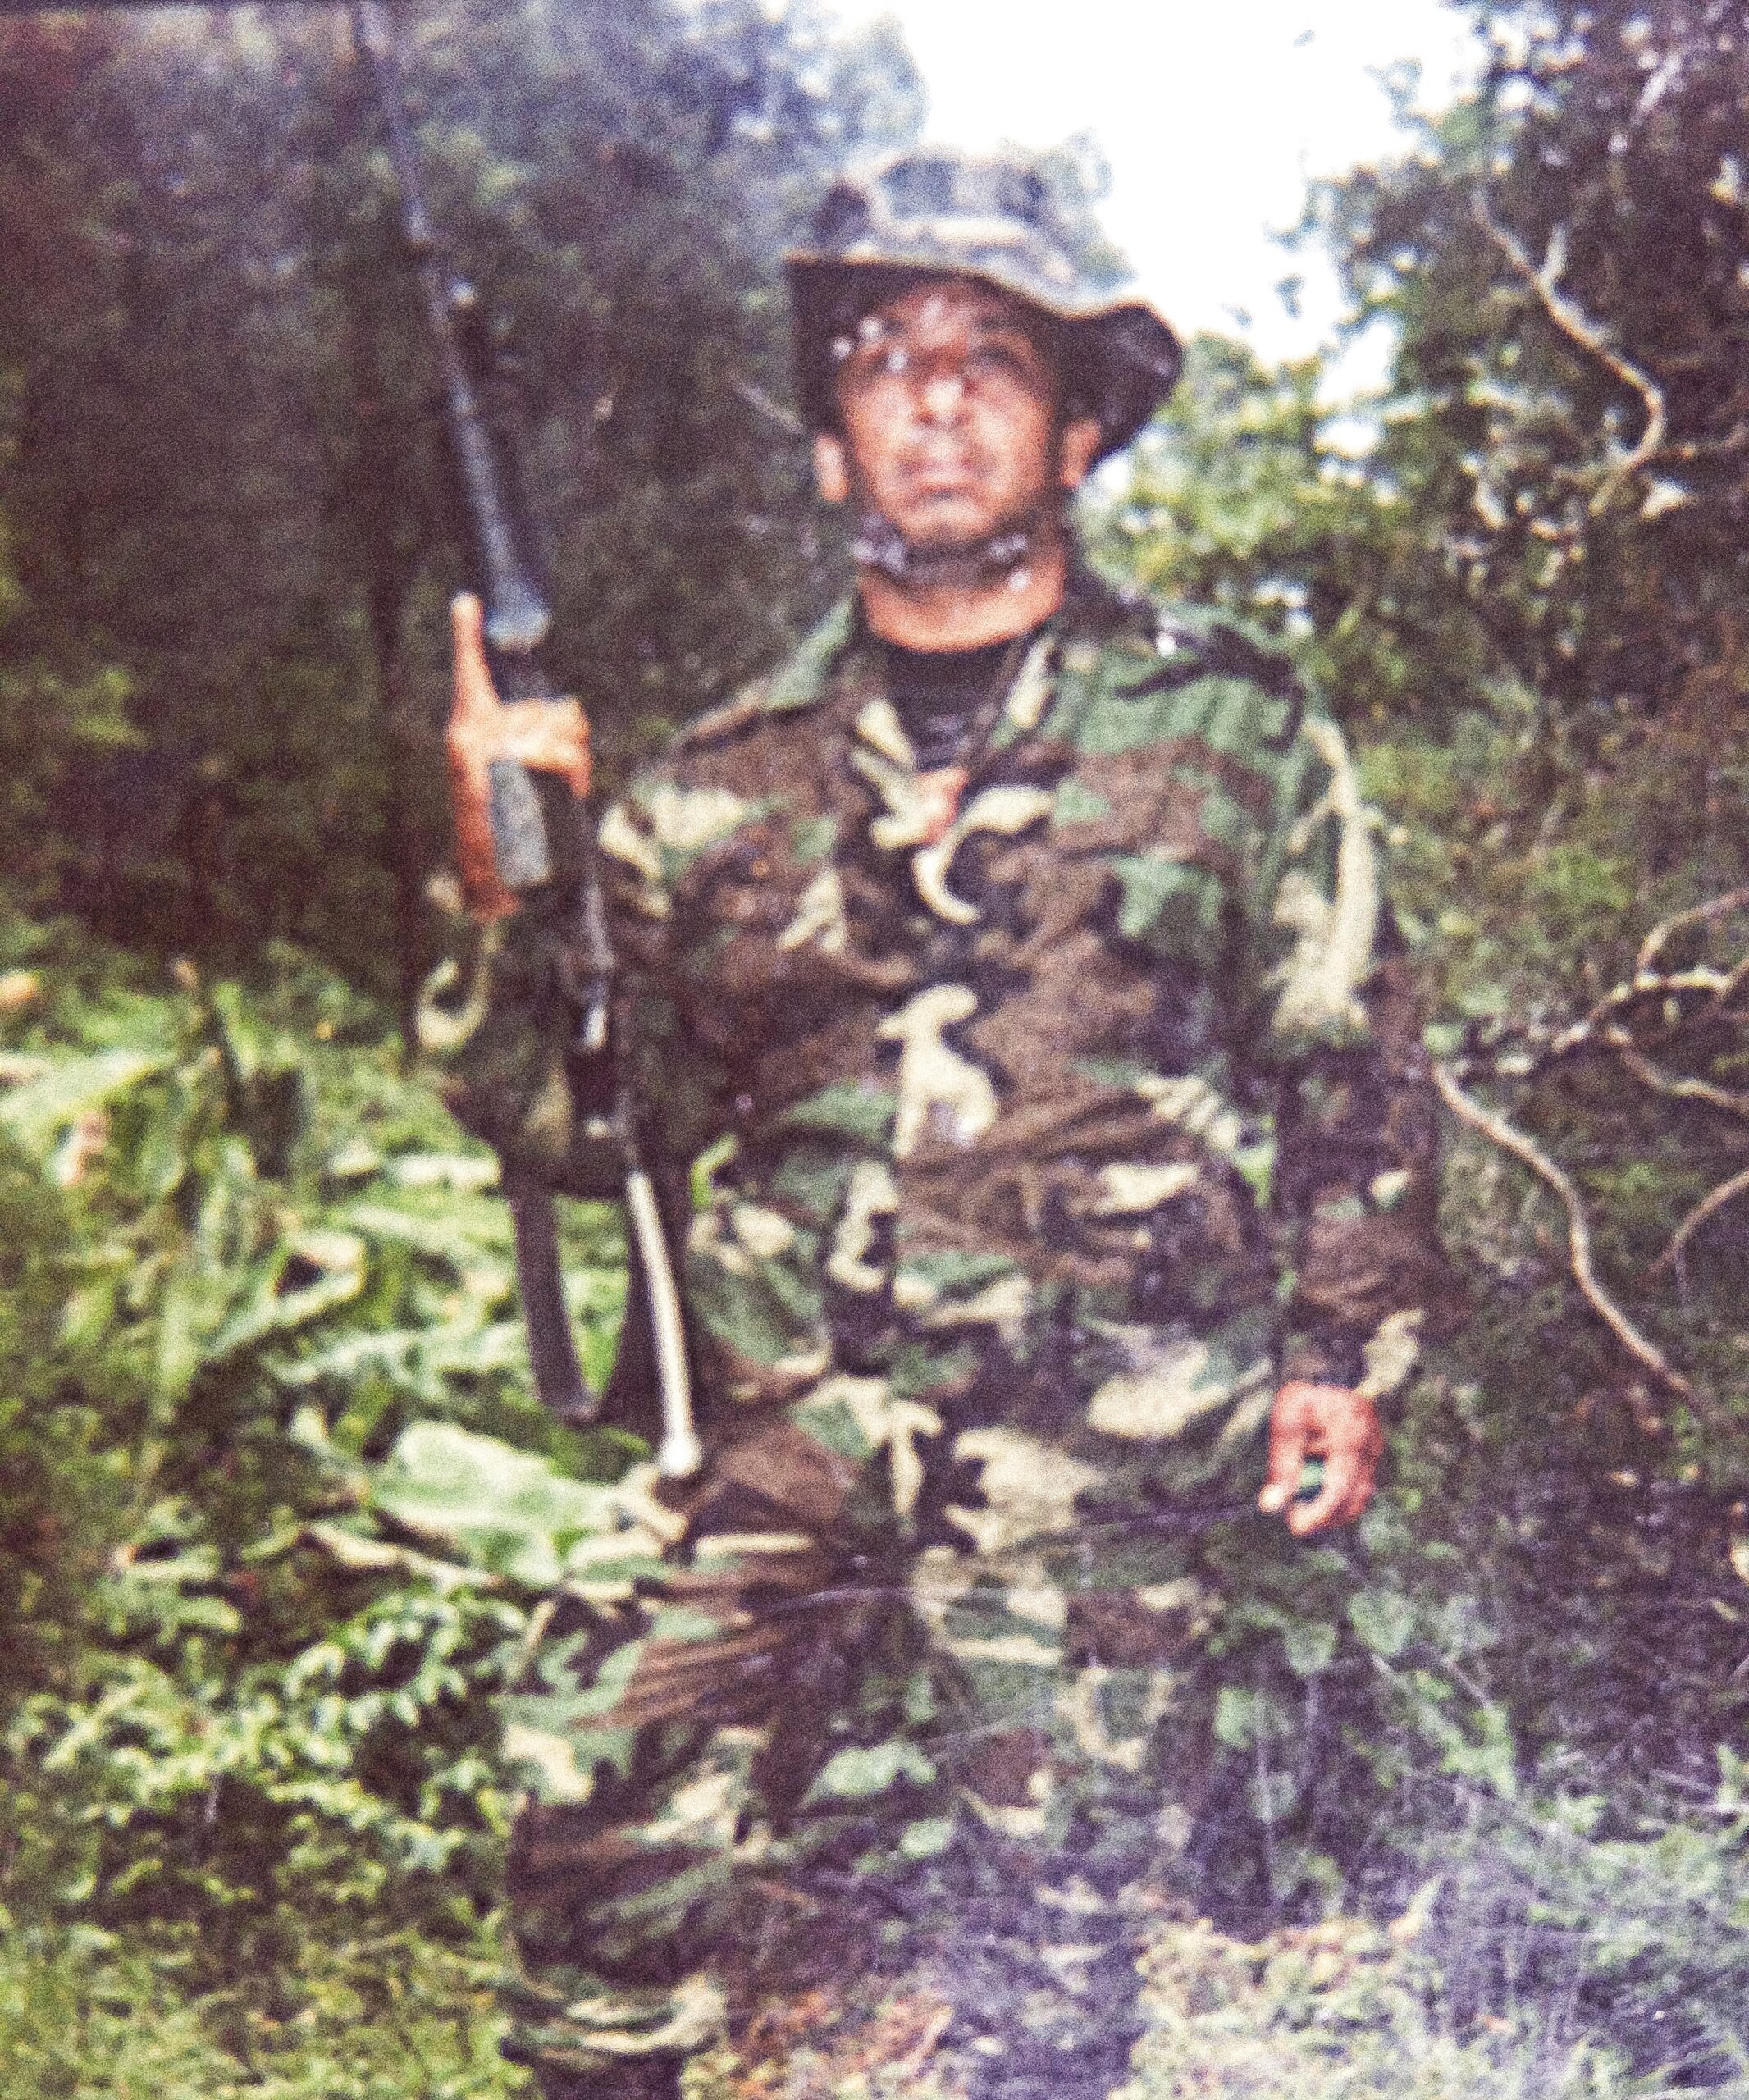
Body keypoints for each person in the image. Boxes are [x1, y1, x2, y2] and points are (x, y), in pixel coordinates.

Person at [438, 147, 1445, 2100]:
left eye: (992, 356)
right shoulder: (714, 782)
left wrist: (1345, 1348)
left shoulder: (1232, 728)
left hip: (1102, 1433)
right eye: (885, 357)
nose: (936, 397)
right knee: (592, 1792)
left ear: (1077, 428)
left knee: (1051, 1939)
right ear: (831, 442)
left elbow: (1353, 1047)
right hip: (777, 1420)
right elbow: (578, 1123)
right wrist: (504, 876)